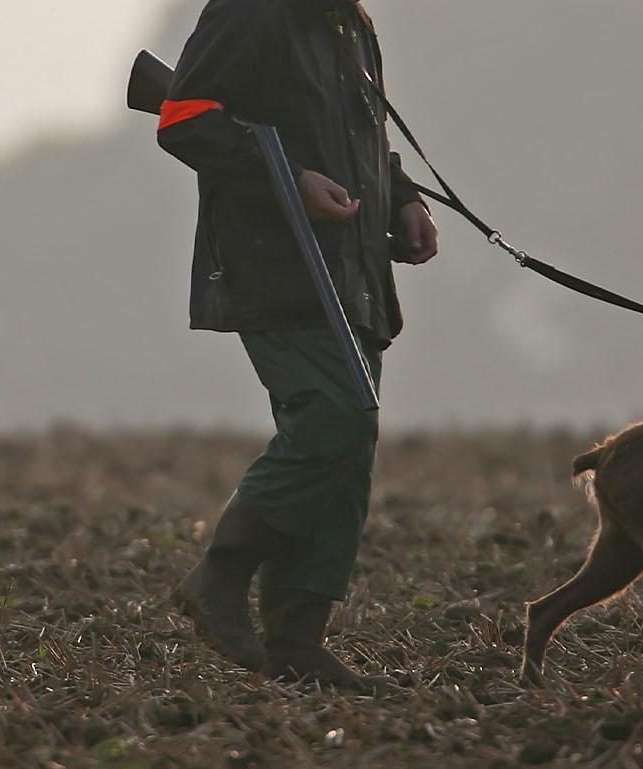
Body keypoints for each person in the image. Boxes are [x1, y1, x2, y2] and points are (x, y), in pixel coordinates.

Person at [157, 0, 437, 693]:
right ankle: (220, 574)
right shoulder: (252, 10)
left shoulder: (349, 23)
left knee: (349, 441)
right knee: (339, 416)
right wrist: (289, 181)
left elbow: (354, 134)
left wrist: (401, 198)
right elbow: (184, 119)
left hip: (351, 269)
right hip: (277, 266)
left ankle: (297, 638)